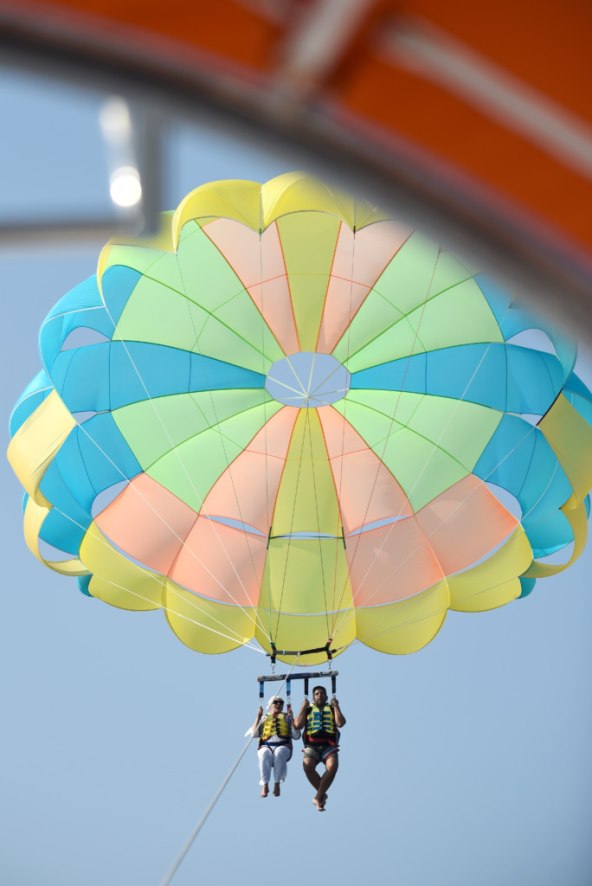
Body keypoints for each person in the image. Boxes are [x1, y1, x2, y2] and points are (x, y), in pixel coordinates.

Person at [293, 685, 346, 812]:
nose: (319, 695)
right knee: (307, 766)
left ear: (326, 696)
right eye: (317, 694)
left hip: (329, 745)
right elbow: (297, 725)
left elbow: (340, 723)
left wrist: (336, 706)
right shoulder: (308, 709)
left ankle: (318, 796)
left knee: (332, 767)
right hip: (312, 745)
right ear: (313, 697)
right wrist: (302, 708)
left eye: (322, 693)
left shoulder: (332, 708)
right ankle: (321, 795)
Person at [250, 697, 300, 798]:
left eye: (281, 703)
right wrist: (258, 717)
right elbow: (254, 735)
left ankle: (277, 784)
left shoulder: (287, 717)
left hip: (284, 745)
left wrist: (292, 719)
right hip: (266, 745)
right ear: (270, 705)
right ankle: (265, 784)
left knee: (279, 752)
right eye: (275, 702)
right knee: (264, 754)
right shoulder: (264, 718)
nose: (278, 704)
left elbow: (296, 736)